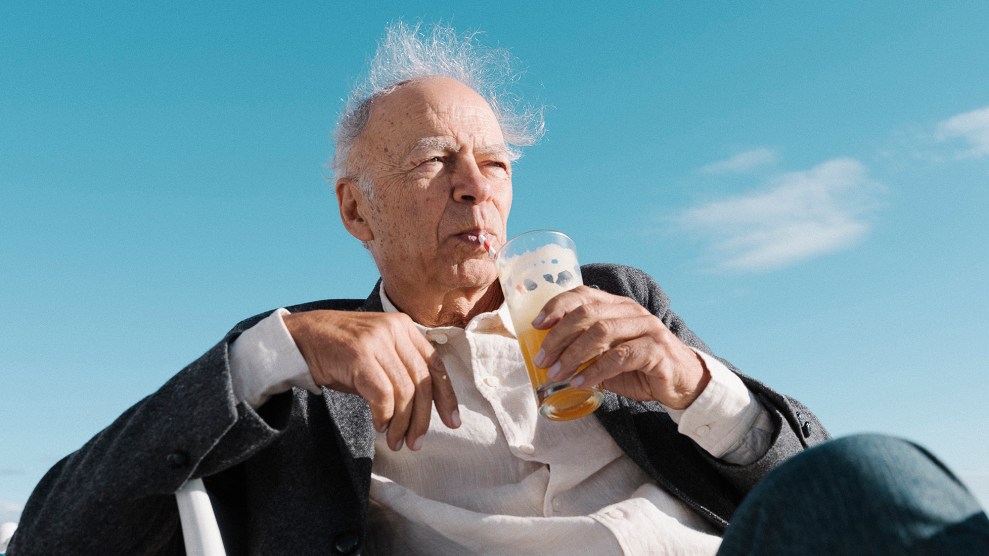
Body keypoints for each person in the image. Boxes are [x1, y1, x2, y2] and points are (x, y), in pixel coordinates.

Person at [8, 22, 988, 556]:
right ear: (357, 212)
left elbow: (805, 478)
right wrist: (277, 348)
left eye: (495, 162)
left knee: (868, 474)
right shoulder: (301, 370)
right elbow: (53, 534)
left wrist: (695, 384)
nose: (477, 186)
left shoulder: (615, 294)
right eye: (437, 161)